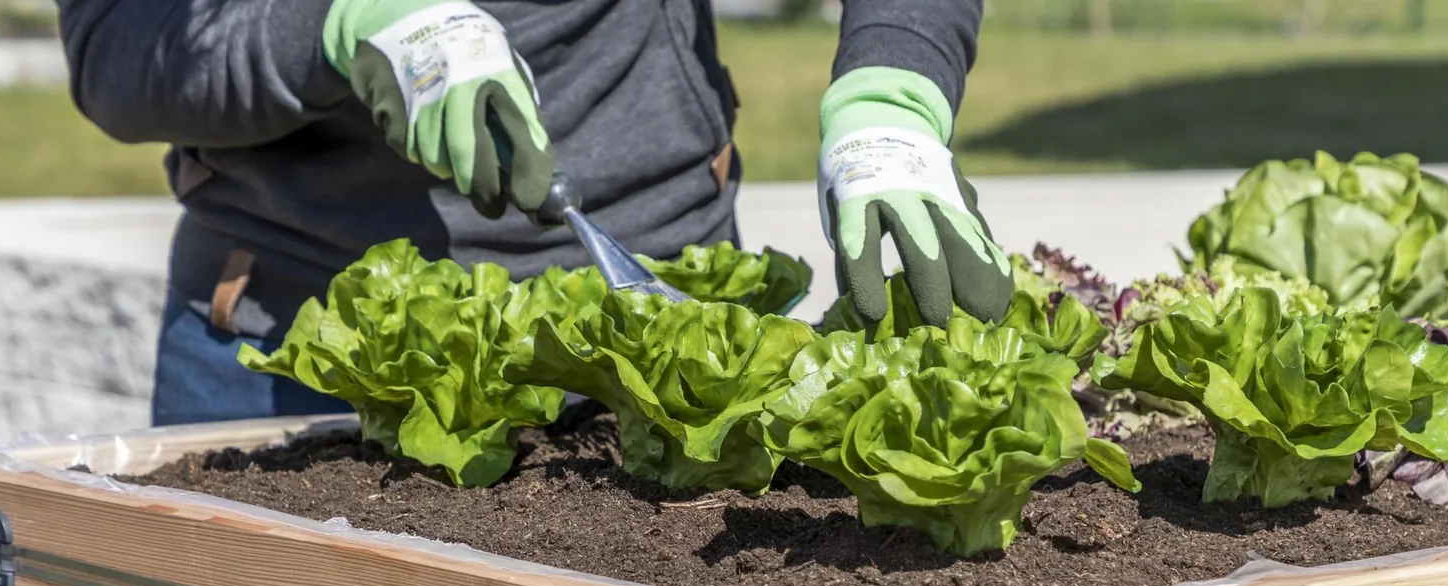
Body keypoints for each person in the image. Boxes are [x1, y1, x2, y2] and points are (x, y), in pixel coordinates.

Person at [58, 0, 1013, 426]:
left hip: (655, 347)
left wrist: (893, 86)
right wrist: (337, 25)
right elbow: (119, 40)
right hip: (295, 347)